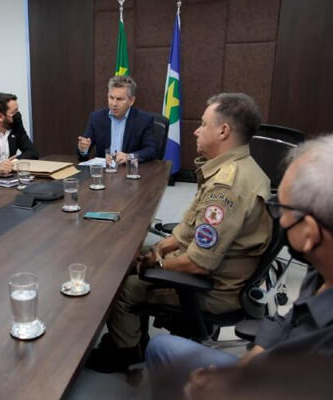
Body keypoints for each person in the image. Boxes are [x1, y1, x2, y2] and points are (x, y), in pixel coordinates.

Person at [87, 93, 272, 373]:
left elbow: (199, 263)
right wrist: (160, 247)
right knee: (135, 259)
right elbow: (190, 231)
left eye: (203, 124)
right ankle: (134, 334)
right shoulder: (240, 169)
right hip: (222, 272)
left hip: (216, 289)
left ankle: (124, 352)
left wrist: (154, 263)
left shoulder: (227, 187)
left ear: (223, 131)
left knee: (121, 287)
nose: (197, 130)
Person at [145, 133, 333, 399]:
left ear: (309, 232)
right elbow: (286, 320)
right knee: (161, 348)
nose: (276, 218)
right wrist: (244, 368)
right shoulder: (322, 266)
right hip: (269, 367)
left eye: (280, 210)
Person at [77, 75, 157, 163]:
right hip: (104, 172)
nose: (114, 103)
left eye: (119, 99)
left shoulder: (144, 120)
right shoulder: (96, 118)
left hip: (129, 171)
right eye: (111, 98)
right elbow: (84, 147)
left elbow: (151, 150)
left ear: (131, 101)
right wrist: (83, 148)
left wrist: (129, 157)